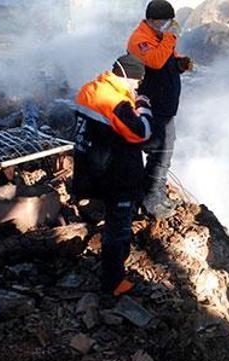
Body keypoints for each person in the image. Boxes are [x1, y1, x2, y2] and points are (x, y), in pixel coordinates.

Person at [71, 55, 153, 296]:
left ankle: (112, 271)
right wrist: (144, 107)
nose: (137, 88)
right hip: (116, 177)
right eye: (137, 83)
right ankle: (113, 282)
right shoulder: (116, 102)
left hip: (90, 171)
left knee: (112, 223)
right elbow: (142, 132)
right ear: (128, 77)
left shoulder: (89, 90)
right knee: (118, 228)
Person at [127, 0, 193, 219]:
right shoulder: (139, 39)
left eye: (169, 21)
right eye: (164, 21)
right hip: (151, 105)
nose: (167, 25)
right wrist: (171, 37)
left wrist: (179, 64)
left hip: (165, 105)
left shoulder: (159, 37)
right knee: (160, 152)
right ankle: (151, 198)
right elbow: (154, 62)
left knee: (164, 152)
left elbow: (166, 60)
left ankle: (152, 192)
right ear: (151, 20)